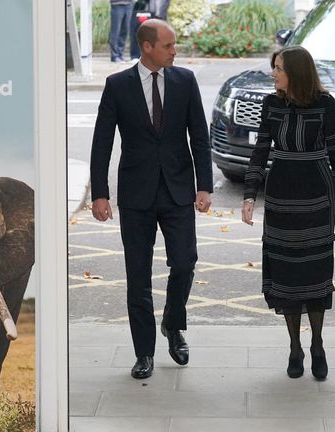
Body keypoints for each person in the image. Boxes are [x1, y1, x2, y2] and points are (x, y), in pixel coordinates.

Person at [90, 19, 213, 379]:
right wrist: (100, 194)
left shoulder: (185, 81)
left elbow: (200, 138)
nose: (175, 51)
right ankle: (143, 352)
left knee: (186, 262)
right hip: (136, 194)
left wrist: (203, 186)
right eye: (169, 45)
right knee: (137, 277)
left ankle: (173, 325)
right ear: (148, 47)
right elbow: (101, 143)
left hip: (178, 190)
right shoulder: (117, 86)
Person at [241, 46, 335, 380]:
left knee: (315, 274)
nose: (273, 73)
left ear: (296, 72)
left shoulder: (324, 104)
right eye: (273, 68)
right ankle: (294, 347)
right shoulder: (271, 104)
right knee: (287, 275)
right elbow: (261, 150)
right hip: (280, 196)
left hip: (317, 196)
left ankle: (317, 343)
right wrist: (249, 195)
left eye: (278, 68)